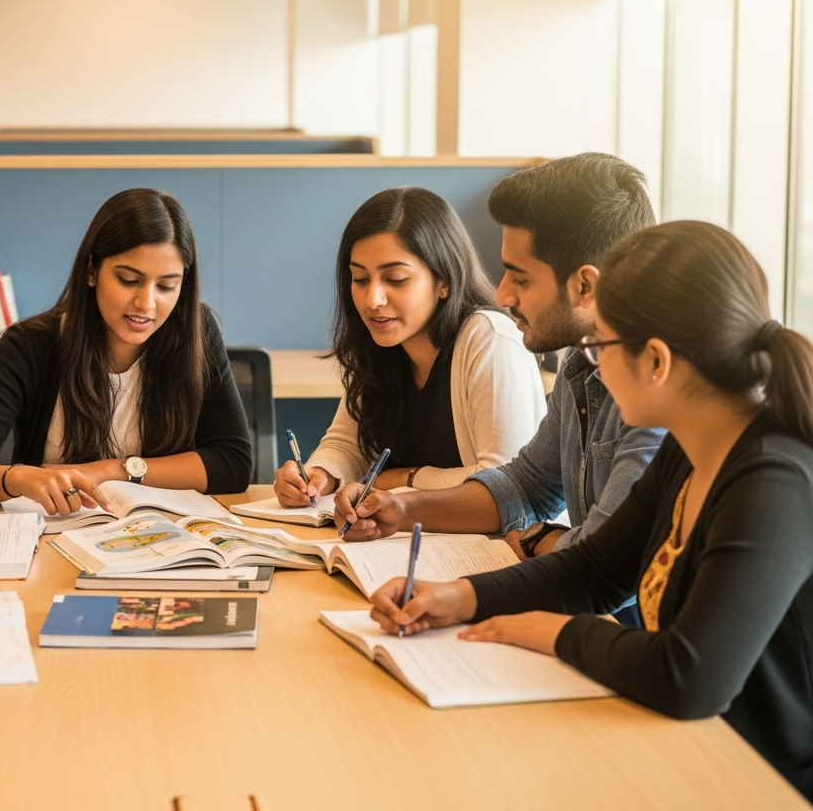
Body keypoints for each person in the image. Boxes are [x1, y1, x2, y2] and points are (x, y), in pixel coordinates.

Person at [371, 221, 813, 799]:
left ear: (655, 360)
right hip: (682, 752)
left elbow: (690, 676)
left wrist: (550, 633)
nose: (593, 365)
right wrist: (459, 596)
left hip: (758, 779)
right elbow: (598, 571)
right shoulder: (691, 445)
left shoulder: (773, 481)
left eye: (599, 346)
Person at [335, 155, 665, 572]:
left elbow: (606, 565)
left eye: (520, 277)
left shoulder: (658, 397)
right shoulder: (580, 365)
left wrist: (539, 540)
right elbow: (525, 485)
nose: (503, 294)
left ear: (585, 285)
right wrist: (402, 509)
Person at [0, 187, 252, 513]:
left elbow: (233, 463)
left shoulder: (196, 332)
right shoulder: (29, 347)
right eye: (128, 280)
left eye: (167, 286)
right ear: (92, 270)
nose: (147, 303)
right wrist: (20, 477)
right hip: (54, 539)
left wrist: (113, 469)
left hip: (162, 538)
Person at [273, 187, 545, 508]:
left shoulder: (488, 337)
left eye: (396, 279)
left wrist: (405, 479)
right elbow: (348, 444)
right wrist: (319, 475)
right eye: (360, 279)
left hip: (492, 546)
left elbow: (504, 481)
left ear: (443, 281)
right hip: (412, 540)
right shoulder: (383, 341)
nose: (373, 300)